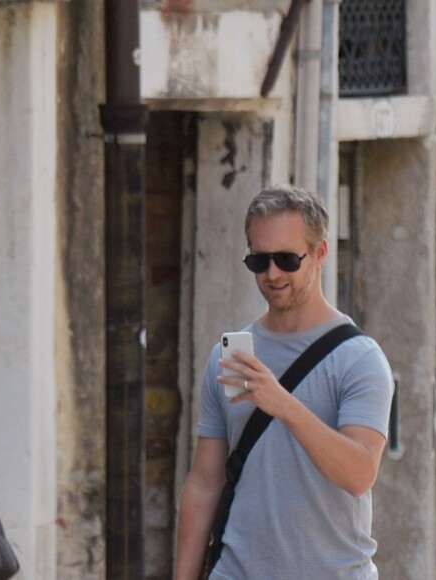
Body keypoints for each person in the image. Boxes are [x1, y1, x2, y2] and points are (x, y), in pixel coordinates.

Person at [174, 184, 394, 579]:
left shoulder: (359, 359)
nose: (272, 273)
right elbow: (204, 484)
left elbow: (359, 474)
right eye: (259, 260)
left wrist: (284, 404)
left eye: (287, 259)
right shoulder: (232, 357)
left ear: (320, 253)